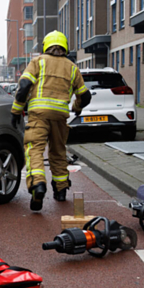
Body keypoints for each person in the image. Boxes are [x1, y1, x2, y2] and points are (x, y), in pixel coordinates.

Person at [11, 31, 91, 210]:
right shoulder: (72, 67)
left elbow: (23, 87)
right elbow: (85, 96)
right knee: (58, 152)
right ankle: (61, 190)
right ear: (65, 47)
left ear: (45, 46)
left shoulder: (37, 62)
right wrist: (77, 108)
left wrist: (16, 111)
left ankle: (38, 184)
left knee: (35, 150)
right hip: (60, 117)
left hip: (39, 115)